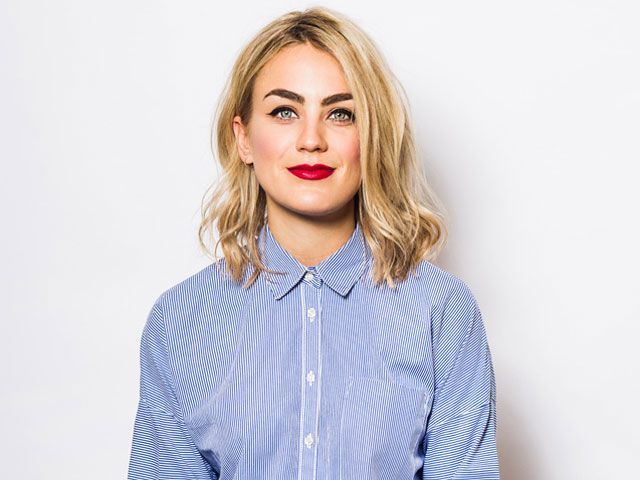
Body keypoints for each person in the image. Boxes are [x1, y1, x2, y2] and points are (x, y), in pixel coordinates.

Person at [127, 6, 499, 480]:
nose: (311, 139)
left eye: (341, 114)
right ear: (243, 137)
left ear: (373, 137)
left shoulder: (442, 312)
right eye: (285, 111)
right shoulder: (179, 320)